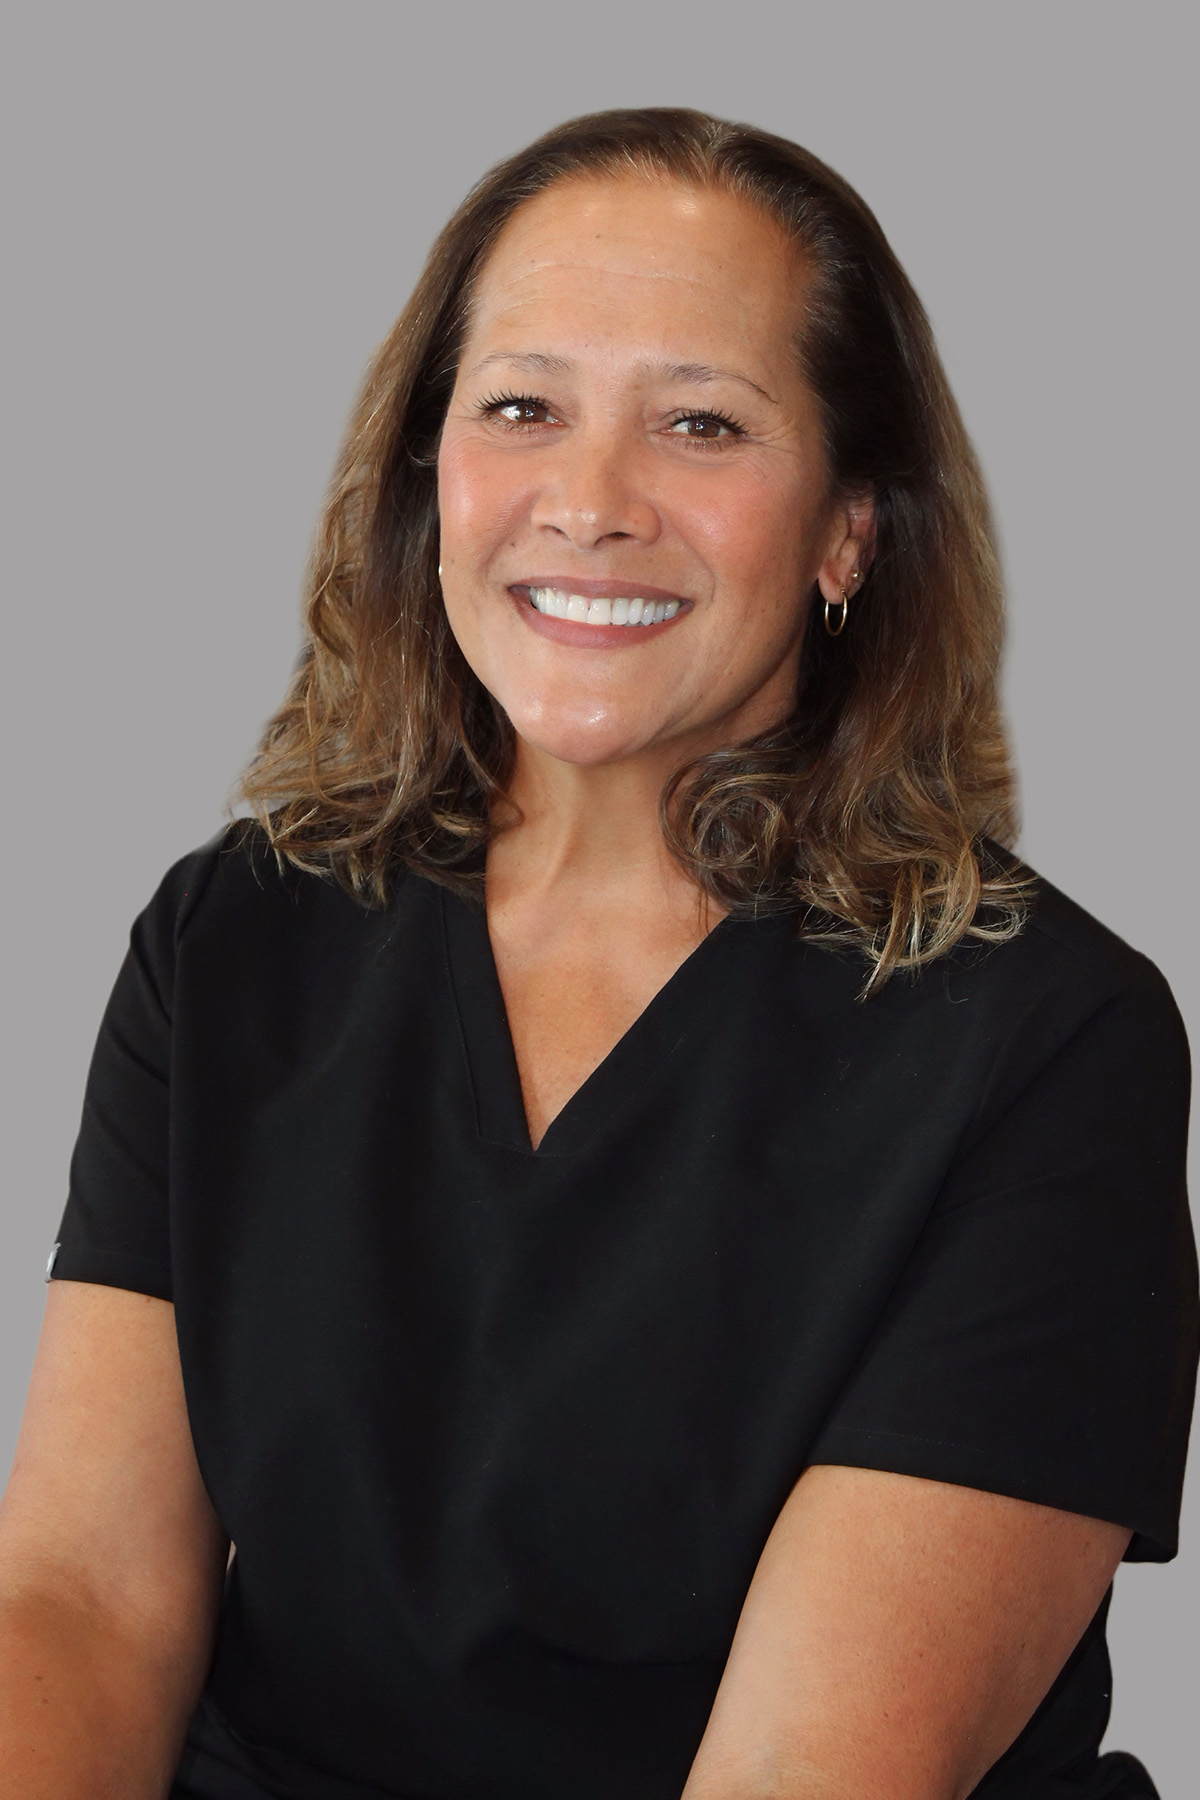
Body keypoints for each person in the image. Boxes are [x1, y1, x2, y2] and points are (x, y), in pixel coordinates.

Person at [0, 106, 1195, 1800]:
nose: (590, 500)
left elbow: (818, 1768)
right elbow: (84, 1600)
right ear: (432, 478)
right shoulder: (234, 940)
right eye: (522, 408)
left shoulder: (1051, 1038)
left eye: (702, 424)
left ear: (851, 528)